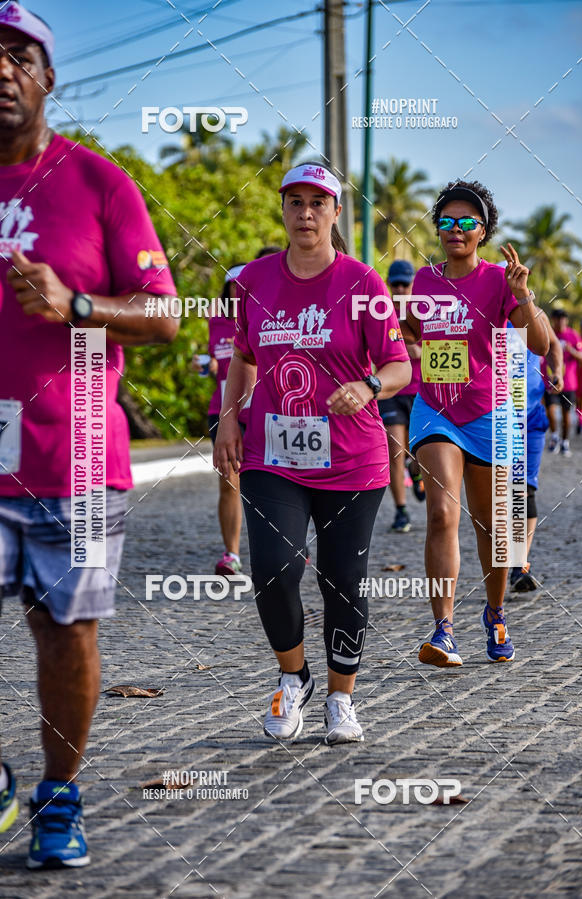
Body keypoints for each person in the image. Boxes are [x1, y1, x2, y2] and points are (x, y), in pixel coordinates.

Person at [0, 6, 178, 868]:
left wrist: (75, 306)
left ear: (47, 77)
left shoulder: (101, 184)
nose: (1, 69)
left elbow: (165, 313)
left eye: (17, 56)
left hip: (70, 456)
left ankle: (58, 796)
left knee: (66, 628)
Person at [214, 162, 410, 743]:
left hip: (354, 461)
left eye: (317, 203)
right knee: (273, 569)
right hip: (273, 455)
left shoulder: (365, 284)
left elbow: (400, 364)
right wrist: (229, 420)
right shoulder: (251, 281)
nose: (305, 213)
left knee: (343, 580)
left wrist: (368, 386)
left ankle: (341, 697)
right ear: (282, 209)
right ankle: (292, 677)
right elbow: (243, 358)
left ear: (335, 212)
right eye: (294, 201)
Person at [399, 180, 548, 667]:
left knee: (493, 526)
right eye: (447, 221)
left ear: (483, 231)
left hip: (491, 411)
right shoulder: (424, 279)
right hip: (435, 409)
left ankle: (495, 611)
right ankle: (443, 630)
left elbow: (541, 344)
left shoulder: (498, 280)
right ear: (437, 228)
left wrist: (522, 295)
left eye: (467, 222)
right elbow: (416, 331)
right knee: (442, 513)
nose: (455, 229)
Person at [193, 264, 249, 575]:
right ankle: (232, 554)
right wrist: (206, 365)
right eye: (233, 286)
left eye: (244, 285)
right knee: (229, 480)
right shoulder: (216, 321)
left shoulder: (269, 318)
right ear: (226, 289)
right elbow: (216, 358)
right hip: (223, 410)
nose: (239, 291)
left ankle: (293, 542)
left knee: (273, 480)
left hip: (261, 409)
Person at [509, 314, 563, 591]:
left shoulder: (534, 314)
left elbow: (554, 343)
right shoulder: (488, 312)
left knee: (526, 488)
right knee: (504, 491)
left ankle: (520, 565)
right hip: (495, 417)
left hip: (531, 417)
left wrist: (558, 373)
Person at [377, 259, 425, 533]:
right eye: (394, 283)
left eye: (405, 283)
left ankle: (416, 470)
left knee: (419, 452)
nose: (399, 288)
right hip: (391, 391)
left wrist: (423, 352)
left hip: (421, 391)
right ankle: (401, 510)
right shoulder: (380, 311)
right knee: (395, 451)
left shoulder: (425, 310)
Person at [544, 308, 582, 457]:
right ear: (553, 319)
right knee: (551, 411)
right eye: (558, 318)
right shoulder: (547, 333)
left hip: (569, 382)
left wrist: (570, 350)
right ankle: (554, 437)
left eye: (563, 318)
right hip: (550, 381)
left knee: (567, 415)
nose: (561, 321)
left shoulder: (572, 335)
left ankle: (565, 442)